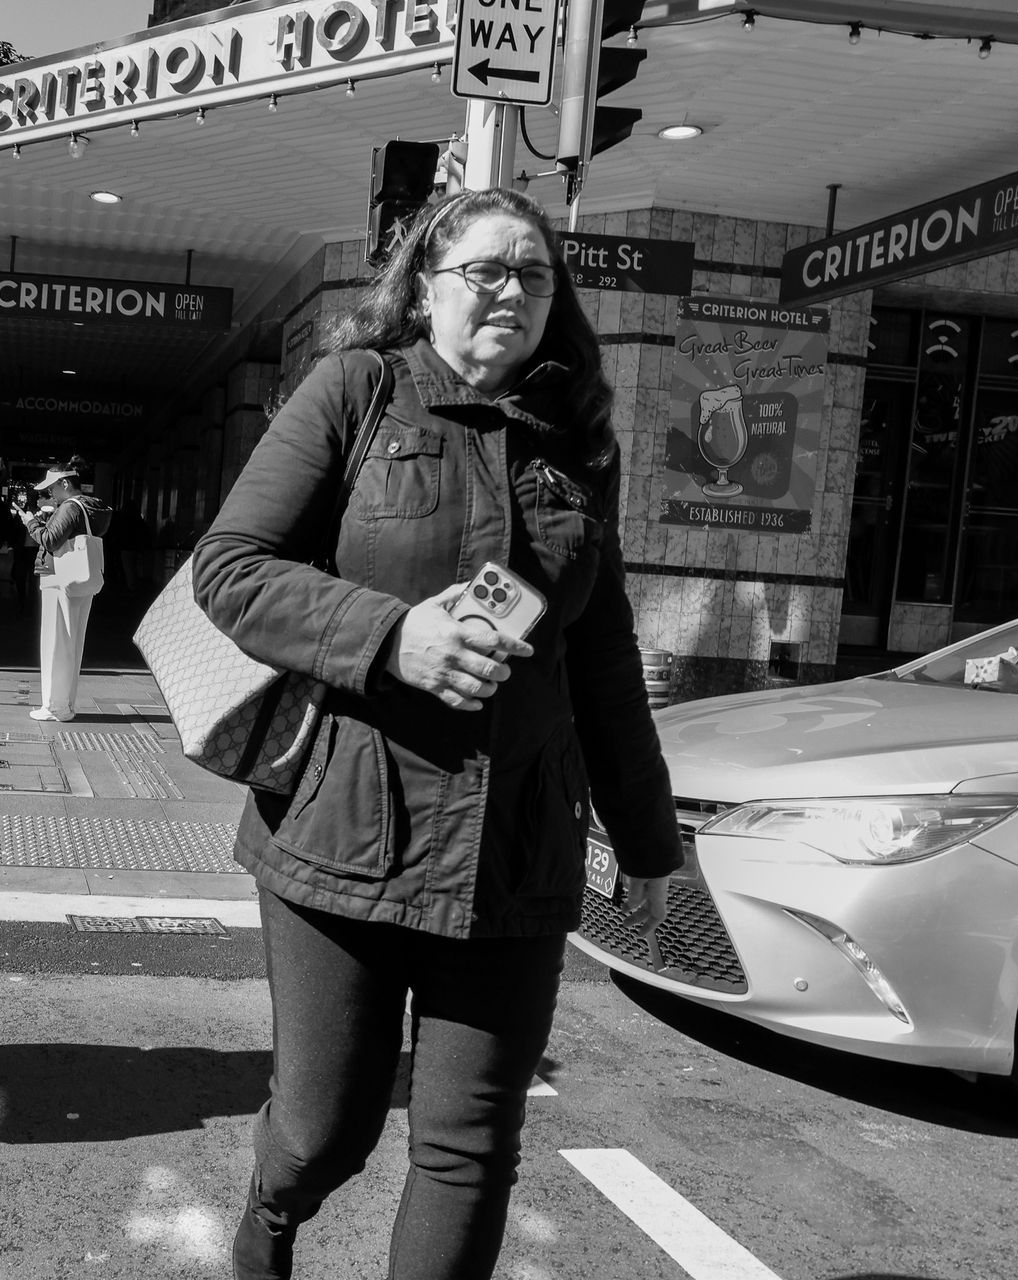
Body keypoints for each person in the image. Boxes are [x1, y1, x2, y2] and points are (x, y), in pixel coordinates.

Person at [192, 188, 681, 1280]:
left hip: (514, 848)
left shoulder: (578, 447)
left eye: (536, 274)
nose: (513, 290)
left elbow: (601, 663)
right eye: (486, 269)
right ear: (424, 284)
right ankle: (273, 1207)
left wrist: (650, 841)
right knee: (329, 1126)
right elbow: (229, 568)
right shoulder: (355, 390)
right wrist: (390, 636)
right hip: (343, 833)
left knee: (469, 1147)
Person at [22, 456, 113, 721]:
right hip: (80, 578)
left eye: (52, 488)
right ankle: (66, 705)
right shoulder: (92, 507)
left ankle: (54, 706)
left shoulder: (71, 508)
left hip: (58, 578)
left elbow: (50, 540)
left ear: (65, 483)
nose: (50, 493)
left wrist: (31, 522)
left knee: (54, 642)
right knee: (73, 643)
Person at [7, 487, 36, 611]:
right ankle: (22, 599)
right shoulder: (21, 514)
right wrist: (11, 547)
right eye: (30, 496)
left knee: (33, 577)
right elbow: (13, 531)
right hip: (22, 548)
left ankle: (31, 600)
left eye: (34, 496)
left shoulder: (41, 513)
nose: (32, 498)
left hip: (34, 549)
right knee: (21, 575)